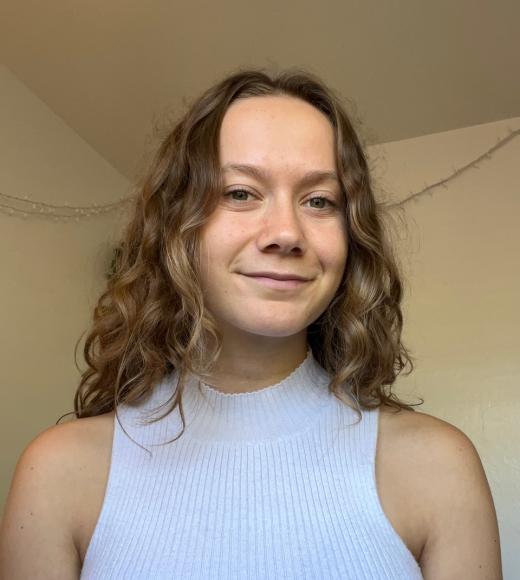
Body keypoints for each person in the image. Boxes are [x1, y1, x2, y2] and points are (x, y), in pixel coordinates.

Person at [0, 68, 502, 579]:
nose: (286, 232)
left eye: (320, 201)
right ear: (176, 226)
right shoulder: (58, 474)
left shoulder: (439, 467)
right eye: (240, 193)